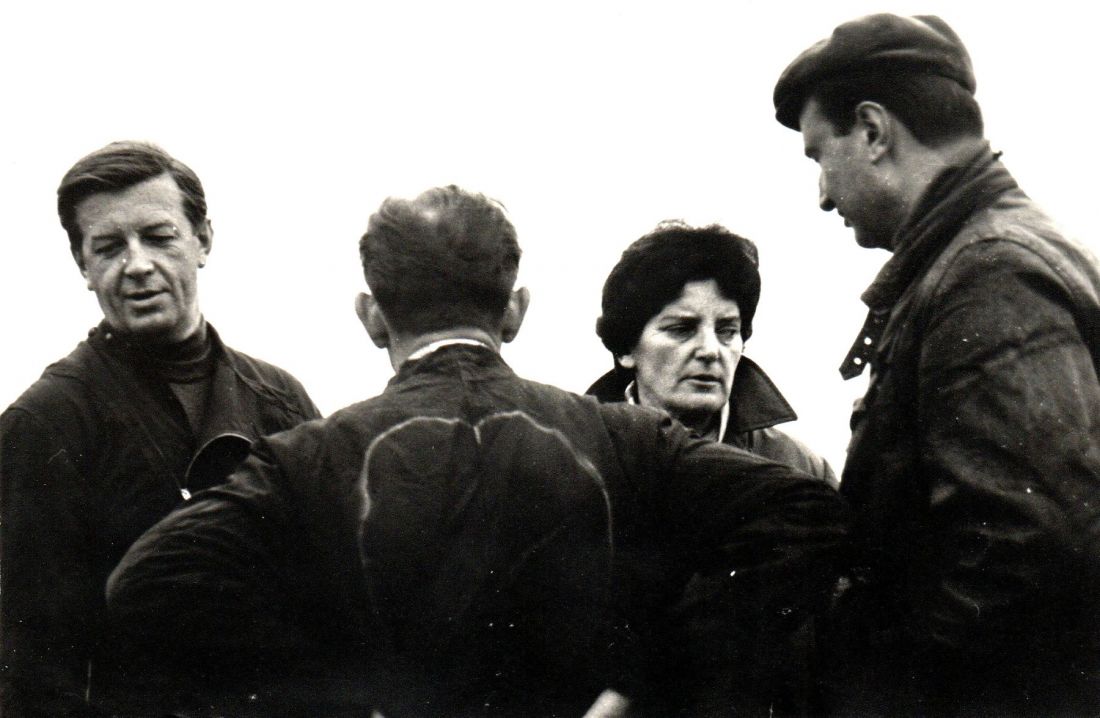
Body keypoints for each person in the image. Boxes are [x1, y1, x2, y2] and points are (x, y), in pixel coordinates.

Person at [104, 185, 849, 717]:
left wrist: (340, 699)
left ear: (371, 316)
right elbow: (812, 512)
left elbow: (147, 582)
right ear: (516, 310)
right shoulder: (624, 438)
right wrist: (639, 680)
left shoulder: (307, 459)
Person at [773, 13, 1100, 715]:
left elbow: (1030, 548)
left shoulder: (986, 273)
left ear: (872, 131)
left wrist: (881, 691)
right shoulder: (994, 253)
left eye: (818, 156)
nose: (822, 195)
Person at [0, 141, 321, 717]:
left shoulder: (282, 403)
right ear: (83, 266)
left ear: (203, 241)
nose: (137, 265)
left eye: (158, 236)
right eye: (108, 247)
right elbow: (32, 669)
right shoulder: (45, 425)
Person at [587, 222, 836, 714]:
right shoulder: (575, 460)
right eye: (681, 329)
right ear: (625, 348)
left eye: (728, 330)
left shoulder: (798, 471)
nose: (710, 350)